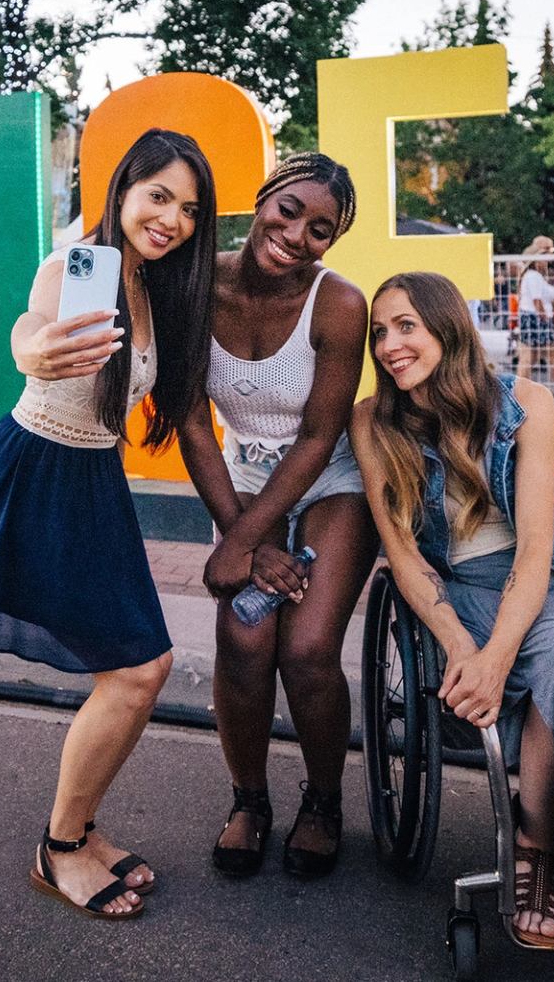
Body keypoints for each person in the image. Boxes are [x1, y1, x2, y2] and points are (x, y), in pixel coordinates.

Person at [0, 129, 218, 921]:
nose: (172, 218)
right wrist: (32, 349)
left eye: (189, 209)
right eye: (158, 195)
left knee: (139, 669)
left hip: (93, 480)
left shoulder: (159, 287)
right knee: (134, 671)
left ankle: (81, 832)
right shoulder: (79, 268)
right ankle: (59, 851)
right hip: (33, 474)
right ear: (123, 190)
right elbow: (32, 328)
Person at [352, 271, 554, 962]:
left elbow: (534, 542)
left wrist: (496, 658)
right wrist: (463, 646)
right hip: (458, 591)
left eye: (406, 325)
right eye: (380, 331)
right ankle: (540, 849)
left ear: (447, 326)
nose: (390, 344)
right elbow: (404, 560)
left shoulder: (527, 403)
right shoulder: (376, 421)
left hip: (546, 579)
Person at [176, 153, 369, 880]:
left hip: (332, 476)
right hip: (246, 476)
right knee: (246, 635)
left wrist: (248, 541)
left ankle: (323, 803)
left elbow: (321, 437)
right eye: (289, 210)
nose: (296, 234)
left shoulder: (339, 304)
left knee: (309, 649)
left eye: (320, 229)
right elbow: (193, 420)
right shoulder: (196, 284)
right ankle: (249, 801)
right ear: (263, 198)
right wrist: (241, 536)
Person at [515, 237, 554, 396]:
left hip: (532, 319)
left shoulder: (532, 276)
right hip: (536, 319)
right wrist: (546, 319)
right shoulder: (534, 276)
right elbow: (538, 302)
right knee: (551, 354)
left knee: (531, 357)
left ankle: (520, 391)